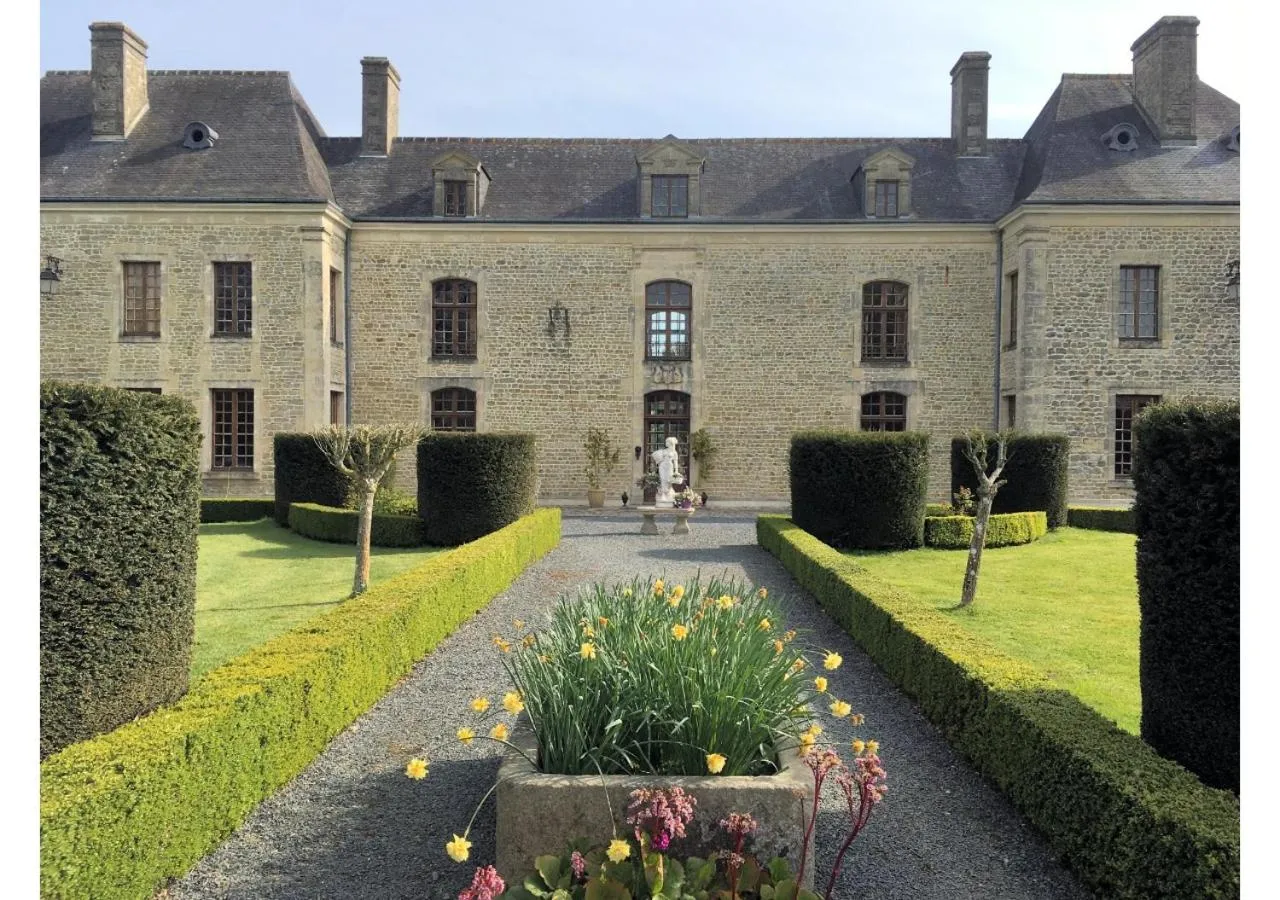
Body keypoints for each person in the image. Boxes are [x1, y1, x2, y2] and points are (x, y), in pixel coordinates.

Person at [651, 437, 682, 504]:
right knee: (662, 480)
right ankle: (662, 495)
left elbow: (675, 462)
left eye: (667, 442)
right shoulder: (664, 451)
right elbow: (658, 459)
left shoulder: (674, 452)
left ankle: (668, 495)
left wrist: (676, 471)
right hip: (662, 466)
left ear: (671, 443)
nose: (666, 443)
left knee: (668, 480)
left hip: (669, 467)